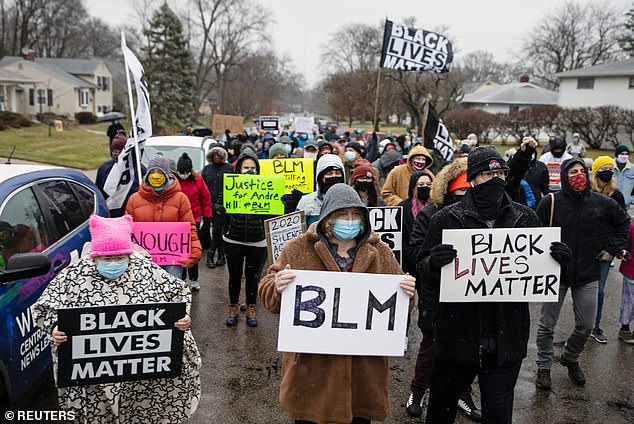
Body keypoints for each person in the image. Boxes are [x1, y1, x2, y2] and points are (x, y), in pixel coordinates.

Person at [418, 147, 570, 423]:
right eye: (489, 173)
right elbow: (422, 270)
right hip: (456, 335)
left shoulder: (525, 218)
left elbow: (540, 268)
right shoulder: (446, 218)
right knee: (441, 409)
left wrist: (559, 260)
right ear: (473, 178)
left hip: (506, 338)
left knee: (499, 414)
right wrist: (433, 263)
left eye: (501, 172)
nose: (496, 179)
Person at [258, 184, 416, 424]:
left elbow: (398, 304)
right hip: (312, 372)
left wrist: (408, 293)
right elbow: (267, 293)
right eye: (343, 214)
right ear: (328, 217)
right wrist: (277, 285)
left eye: (356, 214)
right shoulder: (298, 249)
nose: (350, 220)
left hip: (362, 373)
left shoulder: (381, 252)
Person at [33, 214, 201, 422]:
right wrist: (54, 328)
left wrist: (182, 316)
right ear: (95, 257)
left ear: (129, 256)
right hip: (93, 378)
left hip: (139, 376)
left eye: (120, 258)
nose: (113, 263)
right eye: (106, 258)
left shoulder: (146, 269)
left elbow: (178, 293)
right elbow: (44, 307)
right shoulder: (74, 275)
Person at [535, 158, 629, 390]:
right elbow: (534, 231)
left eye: (581, 171)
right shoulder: (551, 201)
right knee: (547, 325)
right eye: (572, 171)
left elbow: (623, 223)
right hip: (555, 272)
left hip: (588, 273)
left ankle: (571, 357)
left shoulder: (602, 203)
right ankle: (544, 366)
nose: (578, 175)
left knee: (586, 325)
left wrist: (612, 249)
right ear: (565, 176)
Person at [404, 158, 482, 421]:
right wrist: (433, 262)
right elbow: (416, 254)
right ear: (448, 191)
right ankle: (418, 391)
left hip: (471, 297)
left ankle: (464, 394)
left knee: (468, 351)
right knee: (430, 348)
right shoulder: (430, 215)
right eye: (460, 191)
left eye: (469, 191)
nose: (465, 196)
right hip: (436, 297)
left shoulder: (482, 216)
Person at [125, 153, 202, 278]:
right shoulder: (134, 200)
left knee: (171, 293)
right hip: (143, 259)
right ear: (147, 174)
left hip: (172, 260)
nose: (156, 175)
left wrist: (195, 251)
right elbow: (126, 230)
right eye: (152, 171)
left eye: (160, 172)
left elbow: (190, 228)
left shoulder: (181, 199)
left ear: (167, 174)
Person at [223, 149, 270, 327]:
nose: (249, 171)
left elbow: (275, 211)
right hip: (233, 239)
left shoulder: (266, 186)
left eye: (252, 167)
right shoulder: (230, 185)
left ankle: (251, 309)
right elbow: (219, 202)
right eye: (245, 167)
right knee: (234, 276)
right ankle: (233, 309)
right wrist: (219, 208)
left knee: (253, 276)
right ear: (239, 169)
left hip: (257, 240)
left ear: (257, 169)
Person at [176, 152, 213, 292]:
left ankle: (194, 279)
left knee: (192, 251)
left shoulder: (198, 180)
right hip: (177, 221)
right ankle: (181, 278)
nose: (183, 175)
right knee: (180, 251)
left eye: (186, 172)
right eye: (181, 172)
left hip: (195, 219)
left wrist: (207, 218)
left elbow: (205, 199)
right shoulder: (173, 180)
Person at [95, 133, 146, 218]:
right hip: (111, 214)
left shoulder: (139, 169)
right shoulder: (104, 169)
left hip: (131, 214)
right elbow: (99, 192)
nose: (117, 154)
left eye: (120, 152)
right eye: (114, 152)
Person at [202, 145, 234, 268]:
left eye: (219, 155)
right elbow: (203, 188)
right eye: (214, 155)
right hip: (209, 205)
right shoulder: (207, 169)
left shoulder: (230, 168)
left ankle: (211, 254)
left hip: (224, 206)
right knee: (217, 231)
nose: (217, 157)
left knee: (218, 231)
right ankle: (221, 255)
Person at [398, 171, 433, 274]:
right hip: (409, 262)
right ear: (413, 187)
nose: (425, 187)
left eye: (429, 184)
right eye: (421, 185)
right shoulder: (403, 207)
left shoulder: (437, 207)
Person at [297, 154, 345, 226]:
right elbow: (298, 230)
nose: (334, 176)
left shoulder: (350, 200)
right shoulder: (306, 201)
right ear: (321, 177)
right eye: (329, 173)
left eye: (337, 173)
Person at [618, 221, 634, 344]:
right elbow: (622, 246)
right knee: (628, 301)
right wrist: (622, 253)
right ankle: (625, 328)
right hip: (631, 271)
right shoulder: (631, 227)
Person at [613, 144, 634, 209]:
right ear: (617, 154)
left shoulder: (632, 169)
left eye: (626, 154)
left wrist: (630, 200)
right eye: (622, 154)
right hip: (610, 204)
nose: (624, 156)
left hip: (625, 206)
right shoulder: (610, 167)